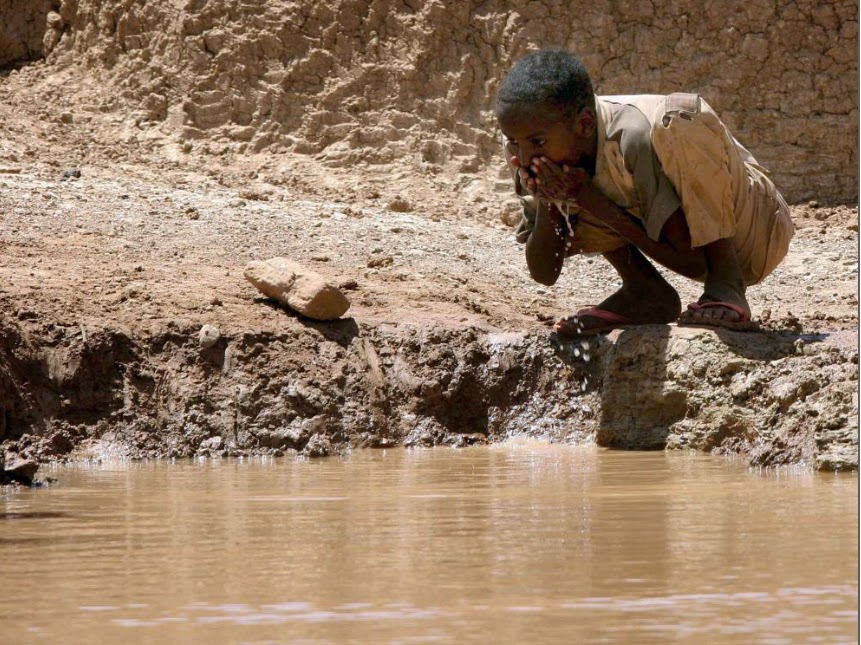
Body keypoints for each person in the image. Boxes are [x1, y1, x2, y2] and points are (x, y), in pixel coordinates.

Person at [495, 48, 794, 336]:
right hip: (686, 243)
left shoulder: (631, 137)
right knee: (582, 180)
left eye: (536, 142)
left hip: (756, 228)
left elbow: (692, 262)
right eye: (513, 142)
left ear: (585, 125)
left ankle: (726, 282)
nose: (523, 156)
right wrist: (552, 200)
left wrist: (592, 201)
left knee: (682, 115)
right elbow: (545, 272)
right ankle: (645, 291)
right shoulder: (528, 148)